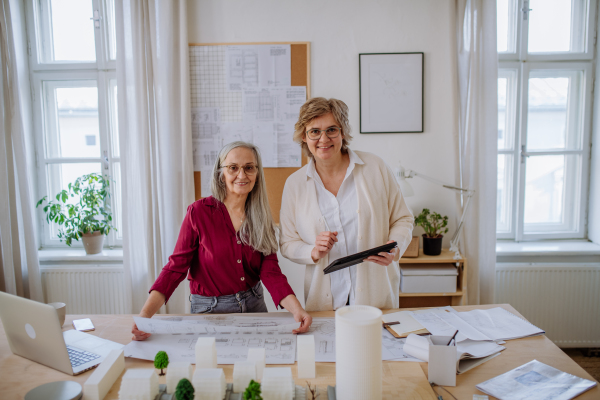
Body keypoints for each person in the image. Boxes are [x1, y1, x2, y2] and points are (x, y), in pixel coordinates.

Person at [132, 141, 312, 340]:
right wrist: (145, 316)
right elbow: (175, 269)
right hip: (209, 311)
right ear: (221, 173)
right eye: (233, 168)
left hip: (254, 306)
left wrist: (297, 310)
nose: (242, 175)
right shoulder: (198, 212)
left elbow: (270, 273)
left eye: (249, 168)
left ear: (257, 173)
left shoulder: (261, 218)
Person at [279, 97, 414, 312]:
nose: (323, 138)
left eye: (332, 129)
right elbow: (287, 243)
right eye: (314, 131)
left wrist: (395, 246)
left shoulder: (375, 167)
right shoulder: (295, 184)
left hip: (375, 295)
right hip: (324, 301)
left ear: (343, 132)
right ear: (304, 137)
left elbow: (403, 218)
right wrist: (313, 251)